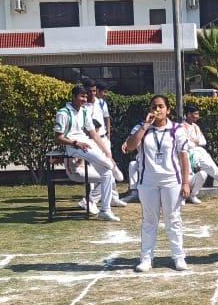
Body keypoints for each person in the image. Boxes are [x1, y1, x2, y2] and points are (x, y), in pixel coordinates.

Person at [122, 95, 191, 272]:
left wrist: (185, 182)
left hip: (171, 180)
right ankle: (146, 258)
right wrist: (145, 126)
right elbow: (130, 146)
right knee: (149, 220)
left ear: (168, 110)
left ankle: (178, 256)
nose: (157, 110)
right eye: (154, 106)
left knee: (173, 219)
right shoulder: (141, 127)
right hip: (147, 181)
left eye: (161, 106)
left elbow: (183, 157)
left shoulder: (177, 129)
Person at [54, 84, 120, 221]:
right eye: (81, 96)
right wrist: (75, 143)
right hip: (73, 146)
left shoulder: (84, 111)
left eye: (85, 96)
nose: (84, 99)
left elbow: (94, 135)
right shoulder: (63, 113)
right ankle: (112, 165)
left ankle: (105, 210)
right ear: (73, 97)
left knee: (107, 174)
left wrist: (107, 153)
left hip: (85, 142)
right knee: (104, 162)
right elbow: (58, 137)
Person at [87, 79, 126, 191]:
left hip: (103, 137)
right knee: (93, 166)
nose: (92, 94)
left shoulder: (101, 103)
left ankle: (113, 194)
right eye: (90, 91)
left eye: (94, 91)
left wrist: (108, 133)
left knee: (108, 160)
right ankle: (92, 195)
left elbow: (106, 117)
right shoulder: (83, 104)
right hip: (90, 139)